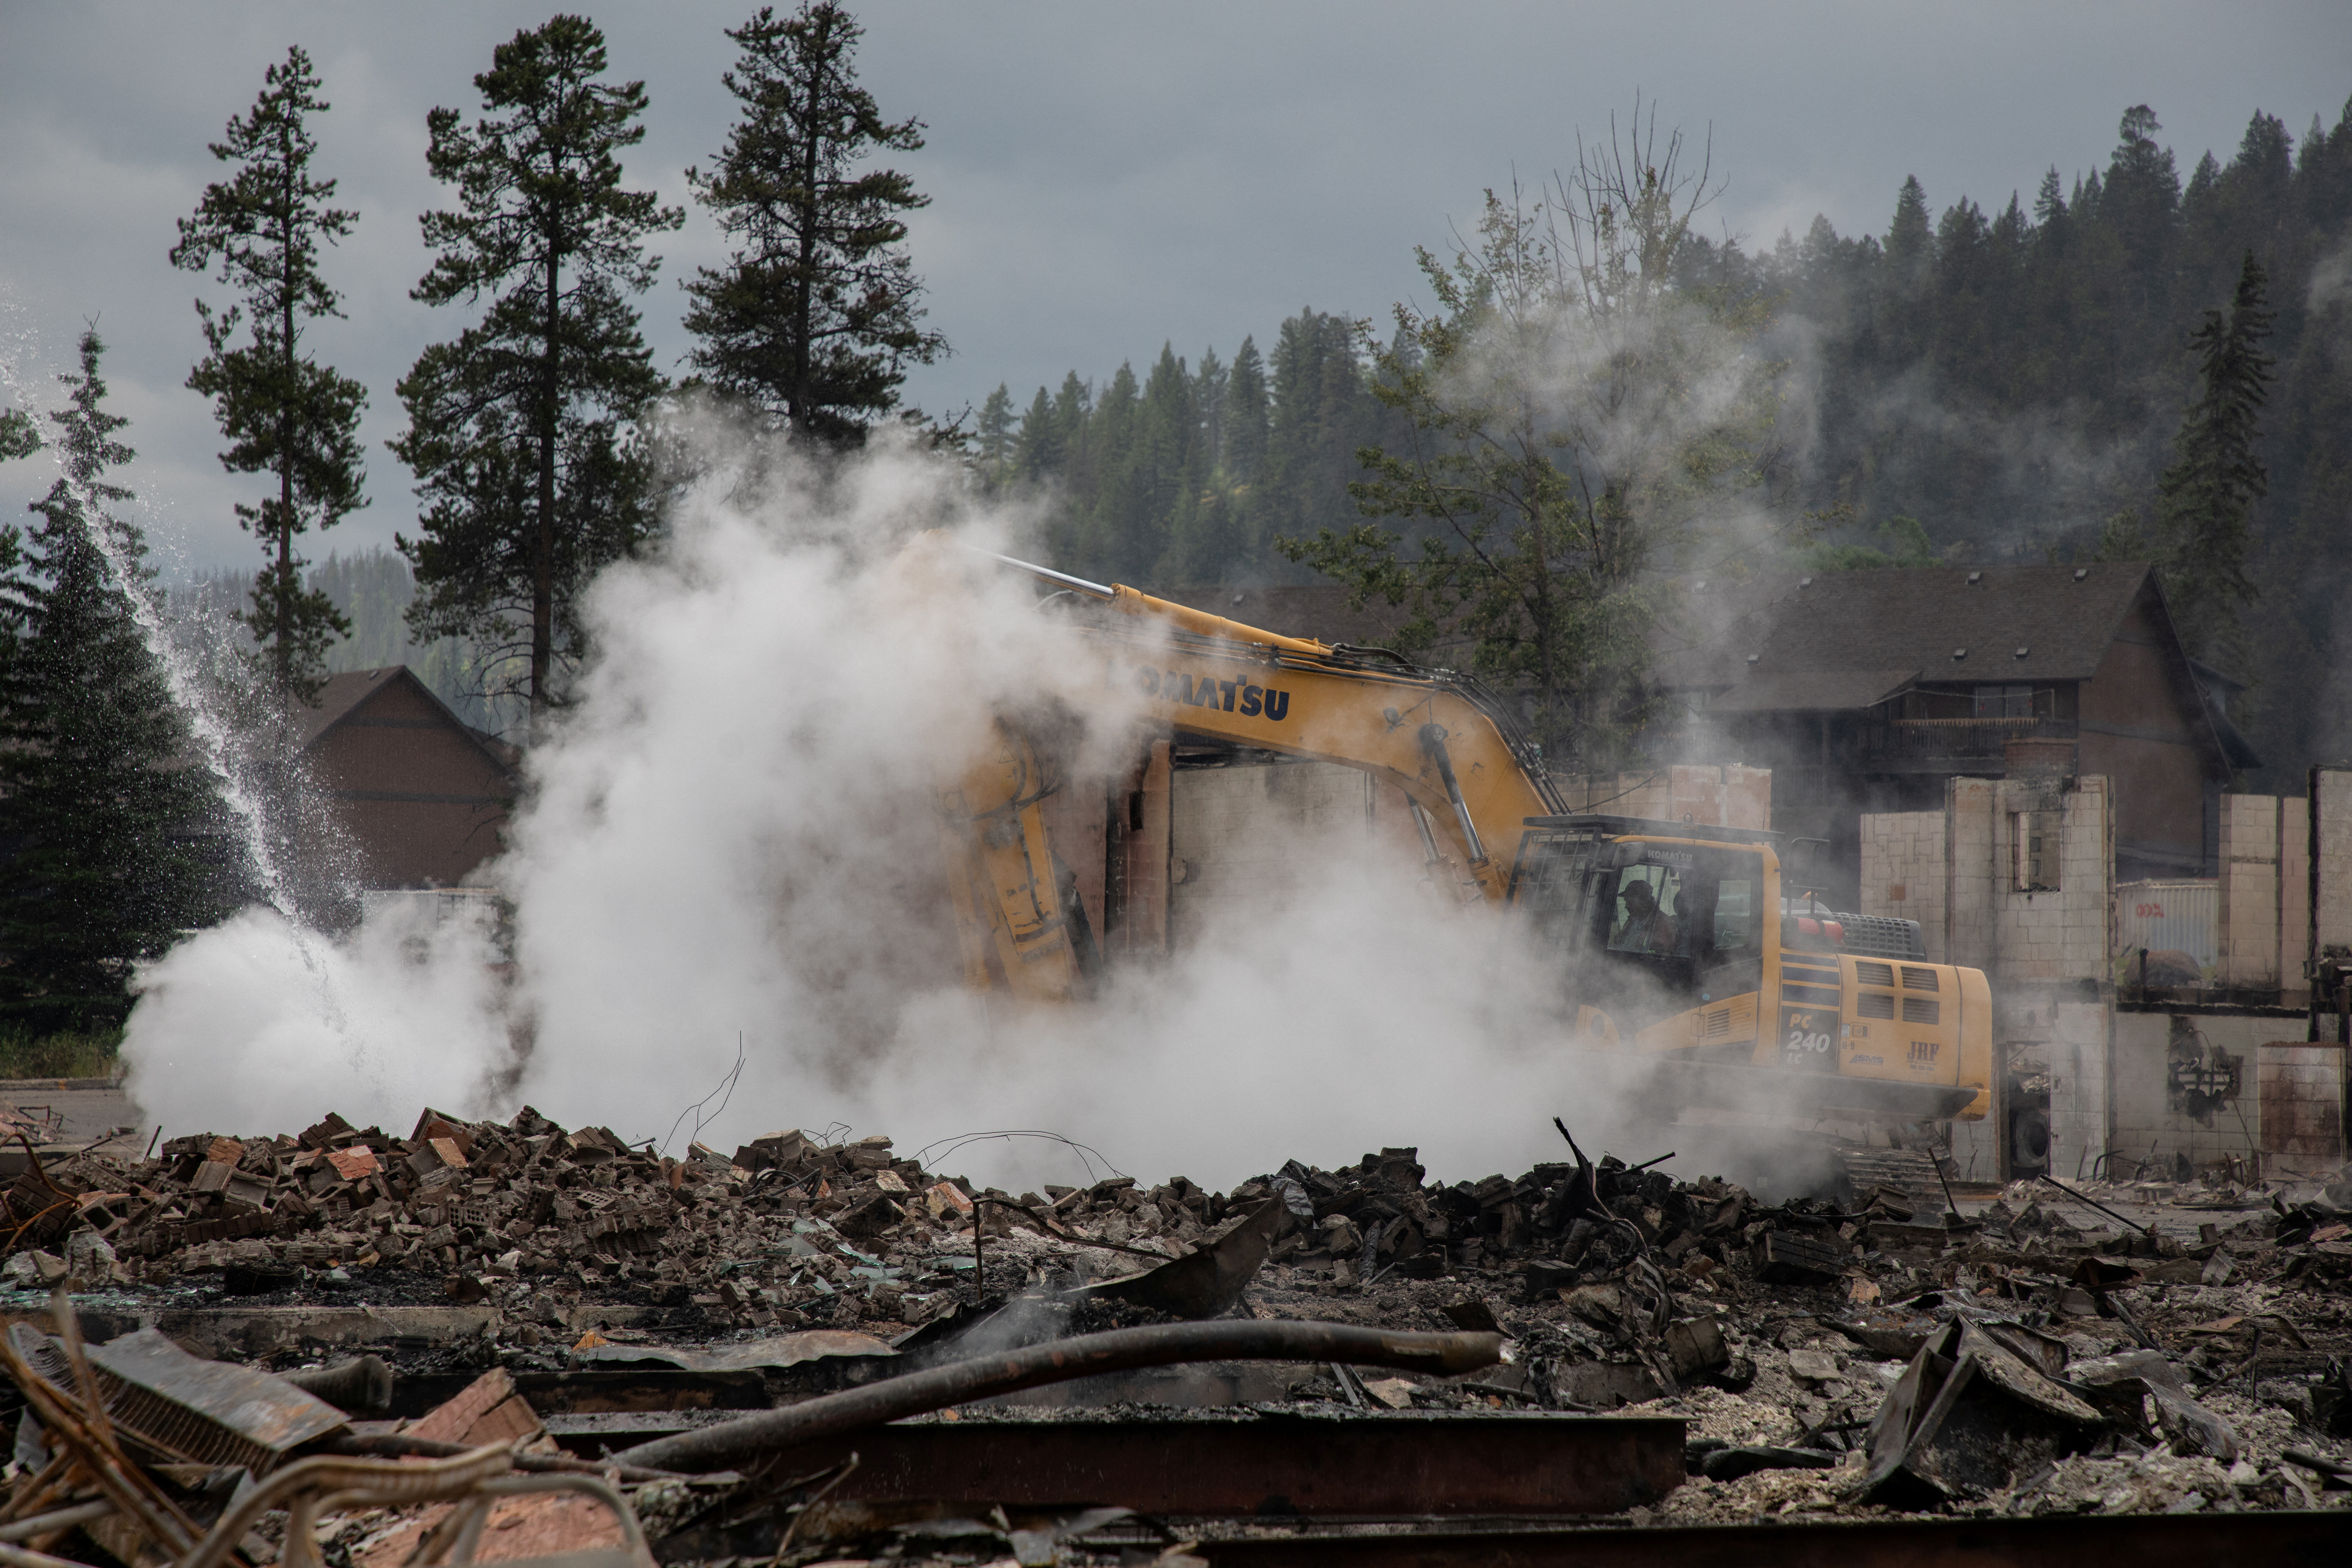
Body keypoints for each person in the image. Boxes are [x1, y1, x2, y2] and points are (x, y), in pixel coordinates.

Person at [1610, 878, 1679, 954]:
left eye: (1630, 902)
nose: (1626, 907)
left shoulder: (1663, 925)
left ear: (1644, 901)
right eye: (1626, 902)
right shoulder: (1633, 920)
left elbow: (1658, 959)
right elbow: (1619, 943)